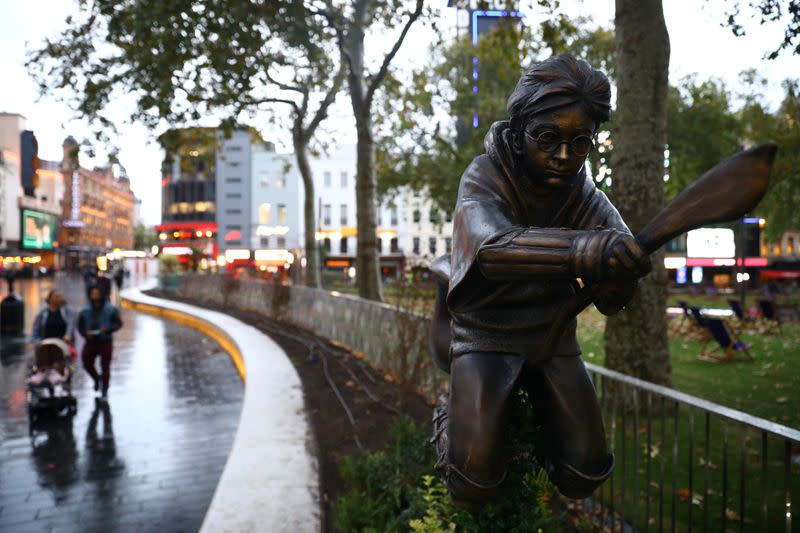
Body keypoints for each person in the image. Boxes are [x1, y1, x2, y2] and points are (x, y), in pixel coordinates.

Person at [433, 54, 651, 507]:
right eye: (548, 138)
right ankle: (450, 419)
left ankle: (531, 452)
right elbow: (491, 250)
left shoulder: (584, 193)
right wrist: (582, 251)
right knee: (471, 482)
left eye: (580, 142)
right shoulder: (484, 176)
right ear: (517, 133)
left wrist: (621, 272)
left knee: (584, 473)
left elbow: (614, 297)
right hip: (485, 333)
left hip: (552, 335)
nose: (564, 156)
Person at [78, 286, 123, 399]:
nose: (95, 296)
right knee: (87, 362)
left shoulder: (110, 309)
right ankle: (97, 379)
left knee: (105, 367)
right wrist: (85, 333)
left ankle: (105, 390)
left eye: (97, 293)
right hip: (91, 341)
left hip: (105, 341)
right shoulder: (85, 310)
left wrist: (108, 329)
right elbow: (80, 326)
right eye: (93, 293)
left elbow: (118, 323)